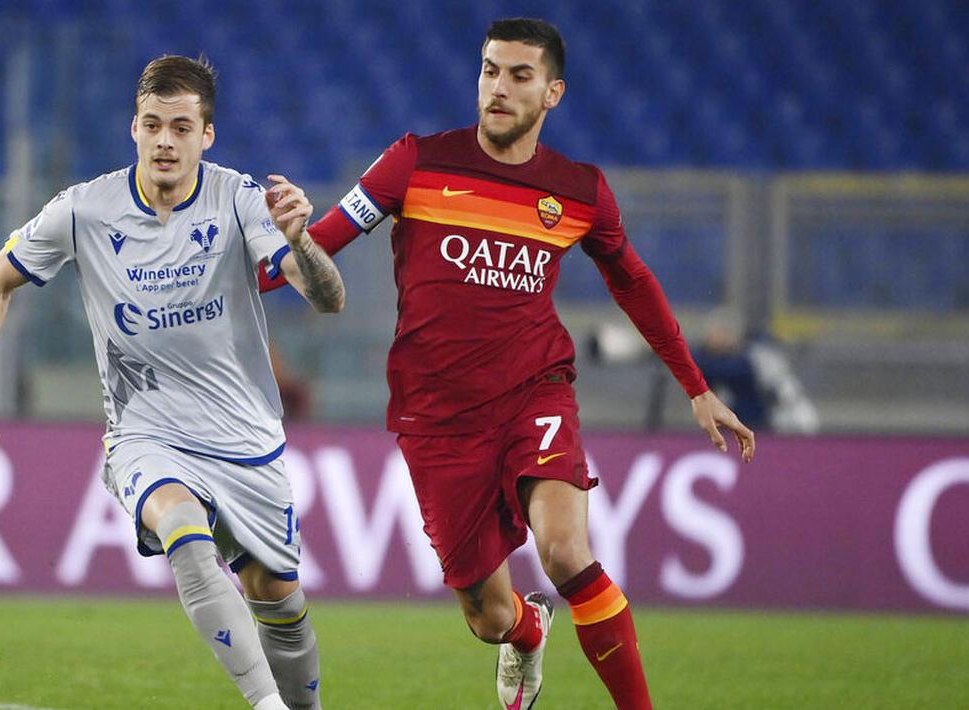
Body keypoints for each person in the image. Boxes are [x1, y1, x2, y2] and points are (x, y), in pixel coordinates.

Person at [260, 18, 755, 710]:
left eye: (519, 75)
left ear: (552, 93)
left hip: (534, 391)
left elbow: (633, 282)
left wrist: (696, 389)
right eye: (490, 70)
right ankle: (528, 630)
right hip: (435, 414)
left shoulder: (577, 190)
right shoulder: (415, 163)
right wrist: (246, 264)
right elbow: (310, 251)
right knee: (487, 617)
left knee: (565, 553)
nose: (498, 87)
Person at [0, 55, 344, 710]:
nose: (165, 140)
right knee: (183, 534)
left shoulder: (239, 199)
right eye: (152, 124)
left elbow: (325, 298)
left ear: (206, 135)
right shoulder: (83, 209)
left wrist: (300, 243)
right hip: (145, 434)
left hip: (246, 438)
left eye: (181, 127)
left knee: (276, 595)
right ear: (133, 127)